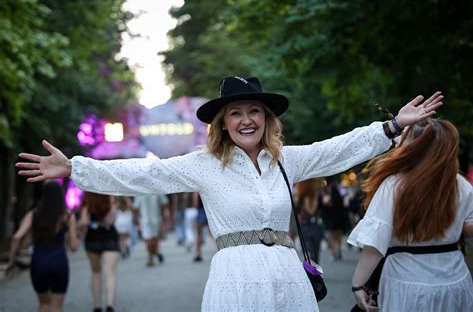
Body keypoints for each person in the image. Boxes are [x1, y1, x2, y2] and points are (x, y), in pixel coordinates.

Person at [16, 76, 443, 311]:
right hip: (235, 280)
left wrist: (391, 127)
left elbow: (336, 150)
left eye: (254, 111)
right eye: (235, 113)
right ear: (222, 122)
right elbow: (144, 174)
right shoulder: (202, 164)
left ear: (266, 117)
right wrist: (75, 167)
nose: (245, 120)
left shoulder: (287, 160)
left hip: (288, 278)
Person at [348, 119, 473, 311]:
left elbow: (375, 244)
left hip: (407, 282)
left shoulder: (395, 185)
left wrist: (358, 285)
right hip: (455, 280)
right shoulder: (459, 184)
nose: (397, 140)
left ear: (415, 147)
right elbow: (468, 227)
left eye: (404, 136)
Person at [6, 181, 79, 312]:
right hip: (59, 261)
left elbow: (17, 237)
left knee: (44, 304)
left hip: (39, 262)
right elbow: (74, 247)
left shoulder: (34, 214)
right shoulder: (68, 216)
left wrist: (12, 261)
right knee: (57, 306)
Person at [79, 192, 120, 312]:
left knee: (96, 272)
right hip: (110, 238)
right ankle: (110, 305)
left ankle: (97, 306)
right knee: (110, 272)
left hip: (92, 239)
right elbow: (109, 221)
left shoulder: (88, 196)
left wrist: (77, 225)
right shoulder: (110, 195)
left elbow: (85, 221)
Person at [133, 194, 169, 266]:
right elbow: (165, 203)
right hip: (156, 218)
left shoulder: (139, 192)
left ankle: (151, 257)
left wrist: (136, 219)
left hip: (145, 219)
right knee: (154, 238)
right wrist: (165, 213)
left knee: (149, 239)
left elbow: (136, 207)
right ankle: (154, 253)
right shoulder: (156, 189)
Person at [295, 178, 324, 263]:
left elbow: (304, 210)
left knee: (308, 249)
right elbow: (316, 210)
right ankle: (315, 269)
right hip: (316, 224)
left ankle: (311, 270)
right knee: (315, 249)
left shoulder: (302, 196)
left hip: (305, 225)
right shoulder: (317, 195)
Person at [319, 182, 347, 261]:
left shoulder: (327, 199)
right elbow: (344, 209)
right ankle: (338, 252)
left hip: (331, 221)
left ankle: (334, 253)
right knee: (338, 238)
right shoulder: (339, 198)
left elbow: (323, 211)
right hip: (339, 220)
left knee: (332, 238)